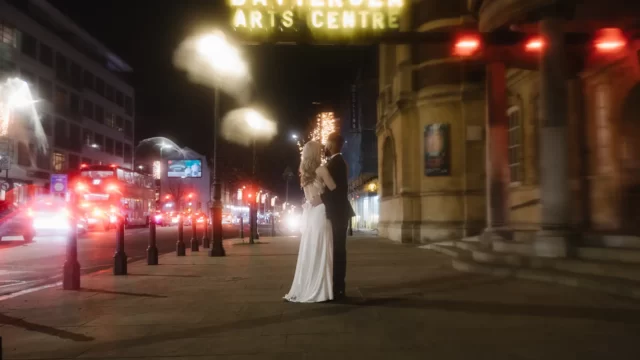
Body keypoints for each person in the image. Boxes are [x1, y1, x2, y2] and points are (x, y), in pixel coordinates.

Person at [284, 141, 337, 303]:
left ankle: (307, 285)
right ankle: (321, 289)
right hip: (320, 211)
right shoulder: (321, 169)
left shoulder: (304, 171)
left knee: (310, 249)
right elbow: (333, 188)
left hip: (310, 213)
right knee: (322, 250)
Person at [311, 133, 354, 300]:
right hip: (338, 212)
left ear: (333, 143)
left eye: (328, 143)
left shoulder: (337, 163)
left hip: (338, 213)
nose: (325, 146)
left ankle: (339, 288)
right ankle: (337, 287)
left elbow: (335, 191)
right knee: (337, 250)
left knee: (338, 251)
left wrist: (319, 199)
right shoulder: (336, 162)